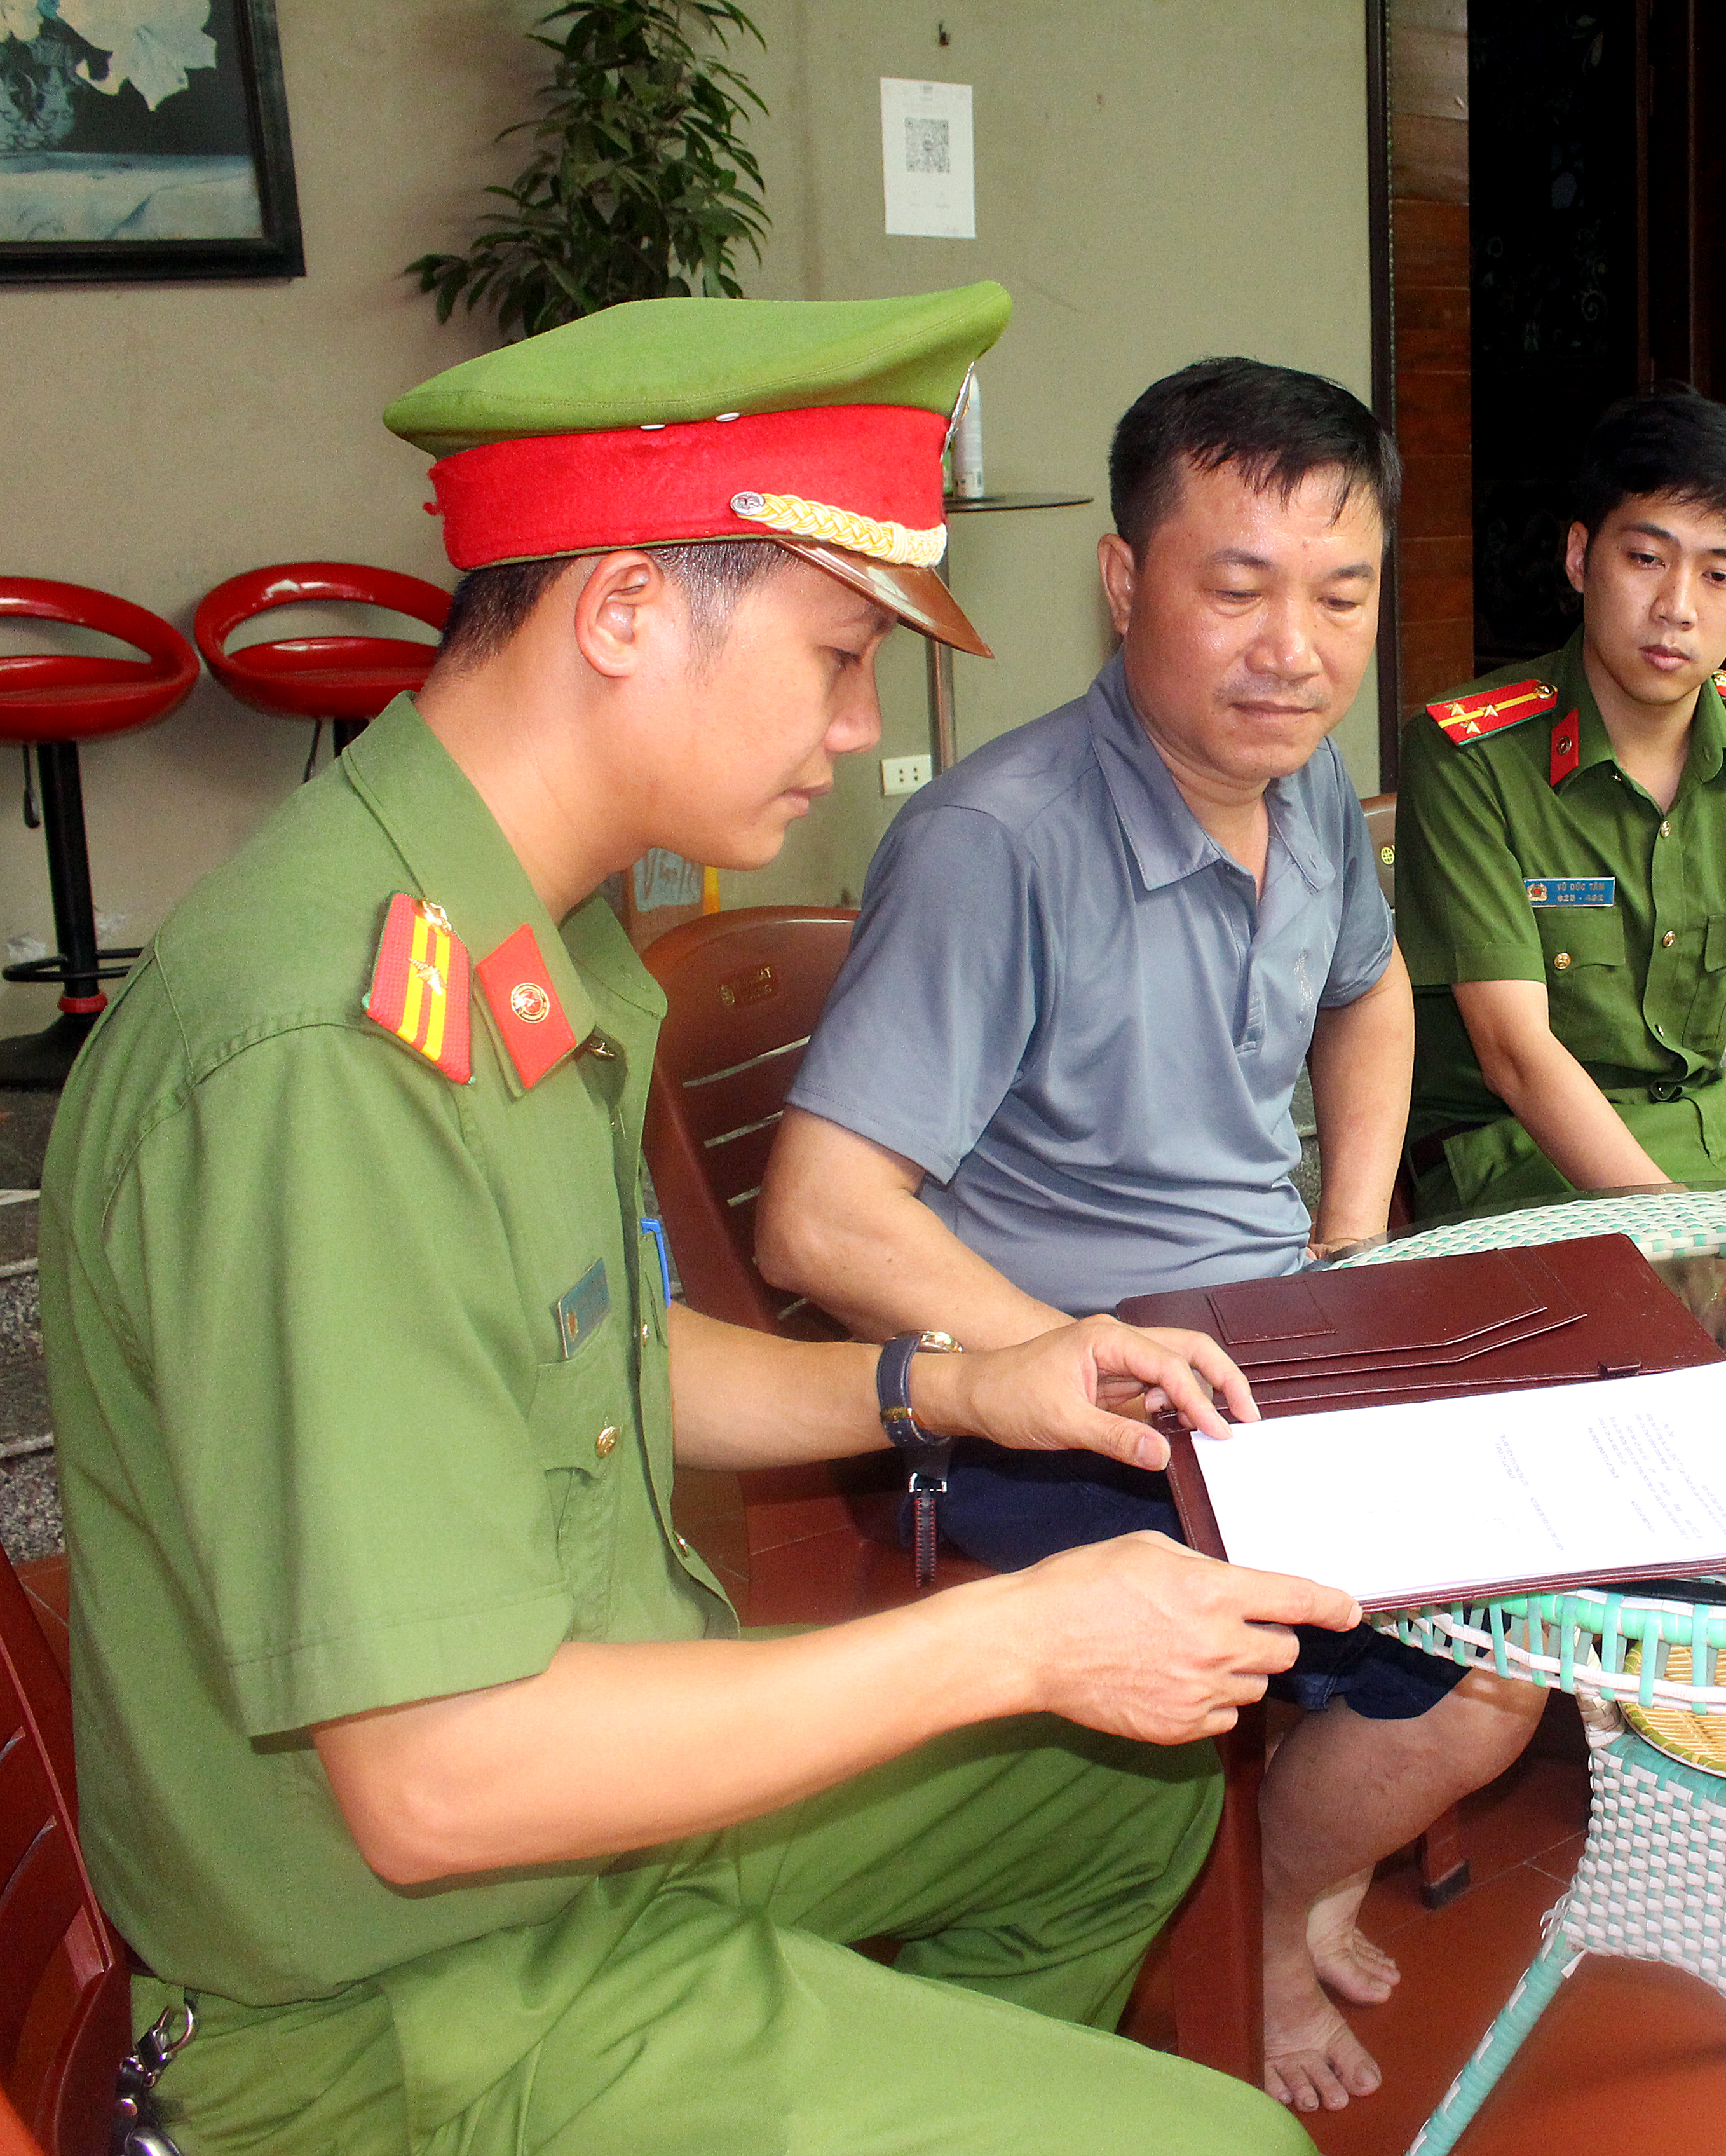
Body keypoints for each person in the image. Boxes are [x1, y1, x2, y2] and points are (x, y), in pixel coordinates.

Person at [39, 284, 1349, 2155]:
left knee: (1116, 1793)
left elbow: (599, 1361)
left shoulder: (520, 923)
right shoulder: (329, 1049)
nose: (855, 725)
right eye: (834, 652)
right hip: (409, 2009)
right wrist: (1022, 1639)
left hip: (601, 1846)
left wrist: (966, 1383)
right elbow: (435, 1782)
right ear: (627, 613)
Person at [755, 356, 1544, 2115]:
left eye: (1341, 596)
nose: (1297, 650)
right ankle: (1260, 1929)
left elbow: (1372, 995)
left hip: (1268, 1345)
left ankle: (1279, 1877)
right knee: (1454, 1662)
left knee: (1510, 1638)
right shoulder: (999, 844)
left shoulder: (1314, 788)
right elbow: (816, 1214)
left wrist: (1348, 1239)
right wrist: (1042, 1356)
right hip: (1054, 1398)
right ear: (1125, 585)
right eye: (1236, 586)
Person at [1395, 388, 1726, 1215]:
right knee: (1677, 1302)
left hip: (1714, 1123)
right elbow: (1515, 1054)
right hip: (1521, 1151)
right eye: (1646, 559)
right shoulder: (1470, 756)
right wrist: (1684, 1231)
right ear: (1581, 558)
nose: (1678, 608)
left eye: (1720, 574)